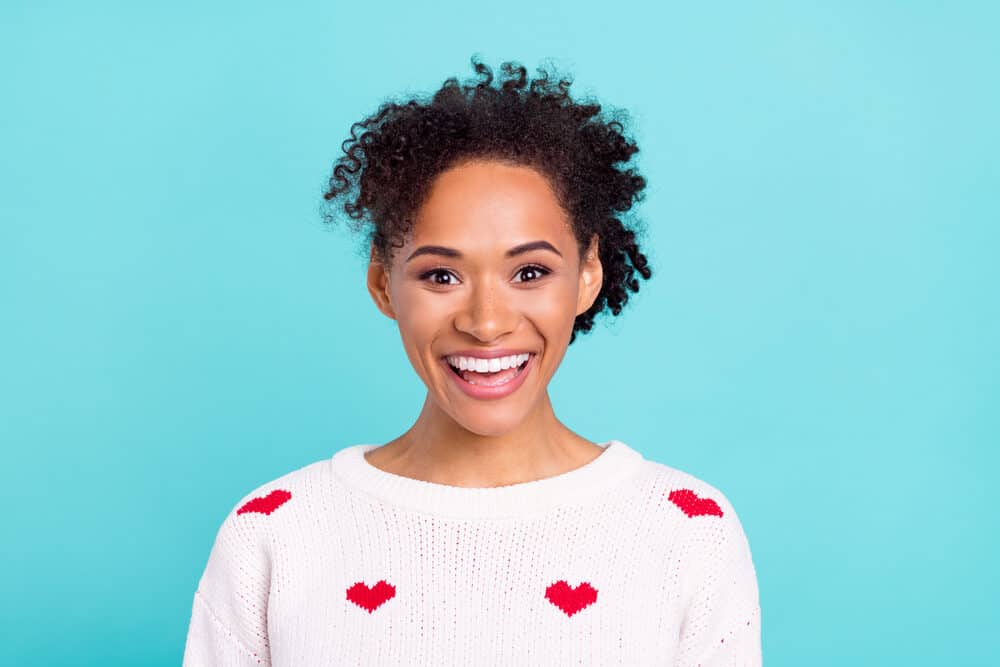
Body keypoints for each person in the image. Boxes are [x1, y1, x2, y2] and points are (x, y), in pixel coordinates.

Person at [182, 57, 762, 666]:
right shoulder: (274, 534)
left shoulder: (687, 533)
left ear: (588, 274)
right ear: (383, 284)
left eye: (530, 272)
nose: (486, 323)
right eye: (441, 275)